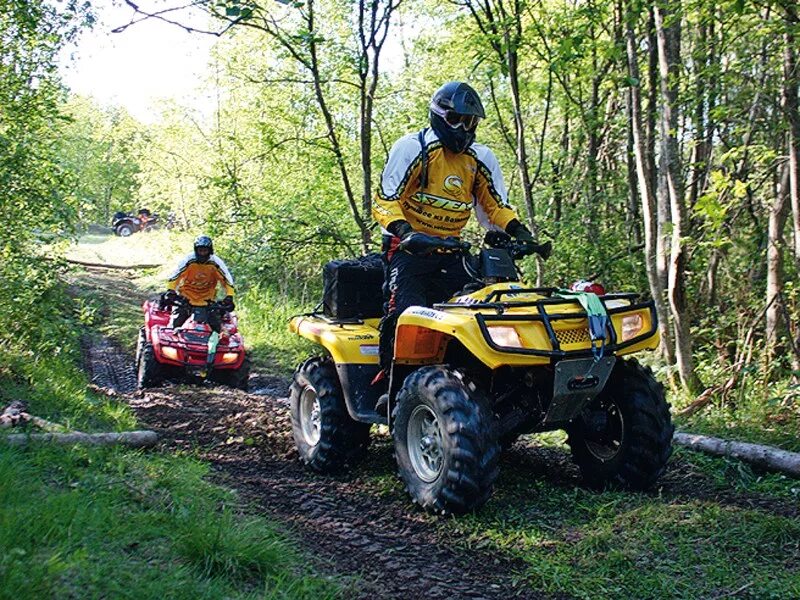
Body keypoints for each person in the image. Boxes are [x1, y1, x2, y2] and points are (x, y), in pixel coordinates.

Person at [372, 81, 545, 375]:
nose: (463, 130)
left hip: (452, 251)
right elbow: (385, 201)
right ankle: (394, 386)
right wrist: (406, 233)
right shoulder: (413, 148)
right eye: (456, 120)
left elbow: (494, 206)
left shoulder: (478, 158)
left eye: (470, 122)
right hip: (407, 252)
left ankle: (483, 376)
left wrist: (519, 232)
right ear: (439, 116)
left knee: (485, 309)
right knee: (406, 315)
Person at [161, 235, 235, 333]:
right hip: (186, 299)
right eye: (200, 250)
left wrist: (229, 296)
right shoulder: (188, 260)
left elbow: (227, 280)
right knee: (175, 324)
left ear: (210, 250)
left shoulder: (216, 263)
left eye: (205, 251)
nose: (203, 253)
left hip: (207, 301)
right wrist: (171, 290)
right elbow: (175, 275)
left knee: (216, 329)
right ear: (196, 250)